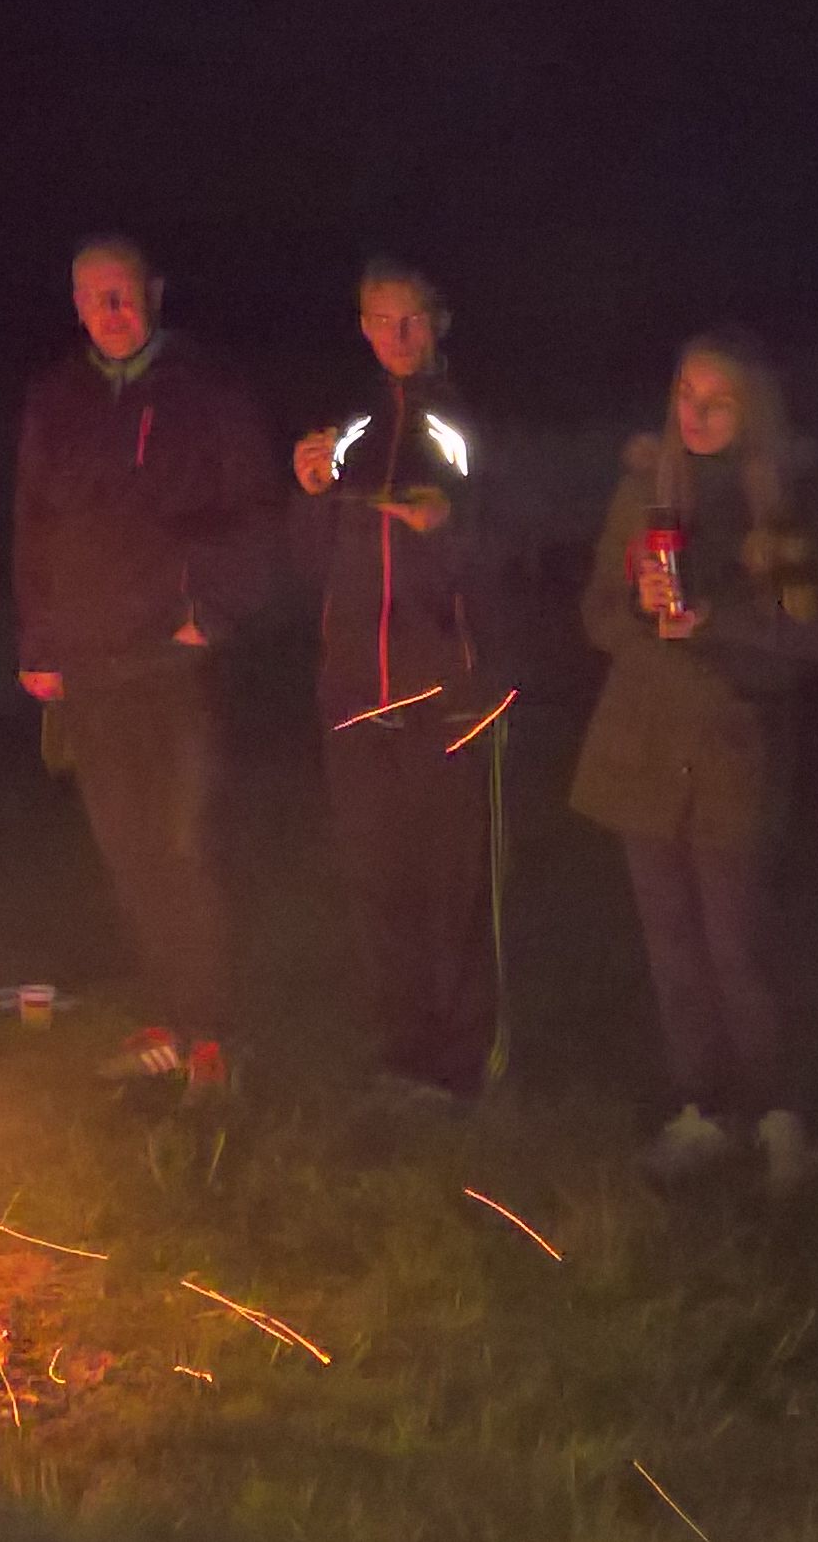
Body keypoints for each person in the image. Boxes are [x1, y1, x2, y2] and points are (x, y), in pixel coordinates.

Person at [14, 235, 278, 1102]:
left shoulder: (207, 390)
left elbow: (254, 510)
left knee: (187, 841)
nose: (110, 312)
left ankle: (217, 1031)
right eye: (93, 297)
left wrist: (217, 609)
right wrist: (38, 642)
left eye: (122, 294)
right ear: (76, 303)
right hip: (92, 659)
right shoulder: (57, 397)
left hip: (175, 654)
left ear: (154, 292)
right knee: (127, 844)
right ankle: (168, 1015)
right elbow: (33, 522)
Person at [568, 331, 818, 1187]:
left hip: (734, 747)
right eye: (687, 395)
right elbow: (600, 612)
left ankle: (776, 1109)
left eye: (718, 400)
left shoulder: (783, 496)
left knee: (738, 940)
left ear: (751, 406)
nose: (698, 414)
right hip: (645, 745)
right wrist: (646, 617)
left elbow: (808, 634)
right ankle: (703, 1105)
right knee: (672, 941)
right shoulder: (647, 487)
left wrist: (718, 623)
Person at [290, 258, 508, 1106]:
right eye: (380, 321)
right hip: (355, 693)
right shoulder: (349, 428)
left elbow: (510, 547)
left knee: (453, 882)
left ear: (440, 318)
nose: (396, 337)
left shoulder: (471, 421)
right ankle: (400, 1050)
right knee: (376, 877)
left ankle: (464, 1061)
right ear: (362, 326)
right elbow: (308, 564)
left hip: (444, 691)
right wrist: (309, 495)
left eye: (410, 319)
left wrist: (449, 527)